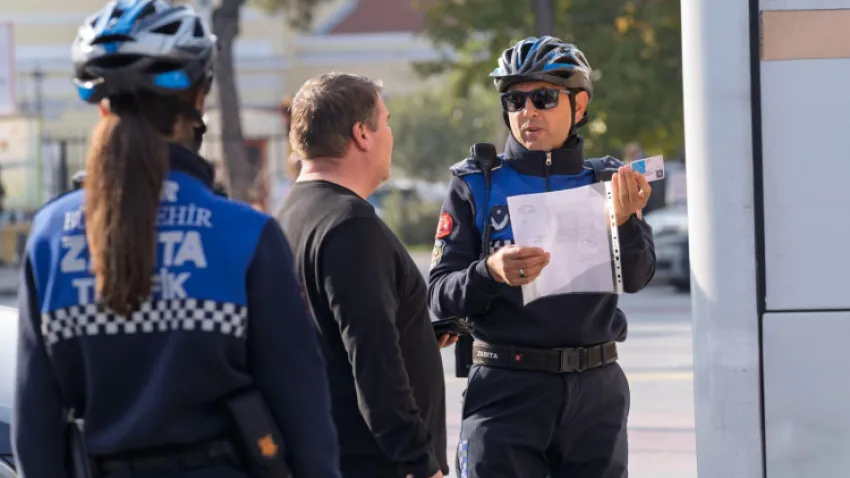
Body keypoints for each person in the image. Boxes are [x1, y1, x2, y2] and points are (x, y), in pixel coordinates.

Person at [12, 1, 341, 477]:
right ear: (198, 97)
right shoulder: (246, 235)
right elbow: (305, 417)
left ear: (100, 104)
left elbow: (34, 432)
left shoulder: (48, 238)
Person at [428, 36, 657, 478]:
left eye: (544, 97)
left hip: (597, 390)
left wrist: (626, 223)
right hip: (505, 389)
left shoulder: (609, 180)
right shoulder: (476, 183)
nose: (526, 112)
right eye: (514, 100)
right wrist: (489, 272)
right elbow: (438, 296)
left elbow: (638, 277)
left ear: (580, 104)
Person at [276, 72, 452, 478]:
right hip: (374, 462)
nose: (390, 134)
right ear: (362, 135)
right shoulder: (350, 226)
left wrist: (416, 331)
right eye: (386, 121)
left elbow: (329, 333)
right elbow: (374, 363)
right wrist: (420, 464)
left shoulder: (287, 217)